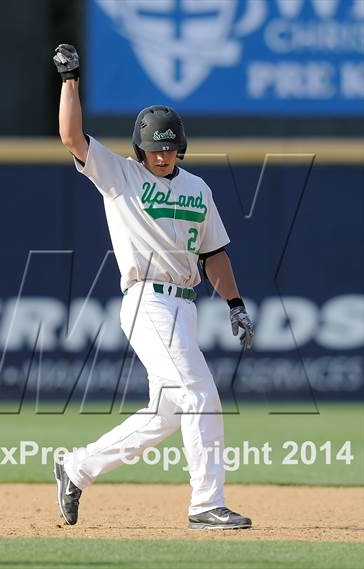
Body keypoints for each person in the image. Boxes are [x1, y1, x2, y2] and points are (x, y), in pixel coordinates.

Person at [52, 44, 254, 531]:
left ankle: (76, 467)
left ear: (180, 147)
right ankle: (207, 503)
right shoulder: (120, 174)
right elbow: (71, 137)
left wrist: (235, 303)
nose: (162, 155)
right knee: (200, 393)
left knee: (165, 413)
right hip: (146, 300)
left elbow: (214, 254)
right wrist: (71, 80)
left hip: (185, 306)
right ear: (139, 149)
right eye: (154, 148)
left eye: (169, 147)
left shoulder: (198, 189)